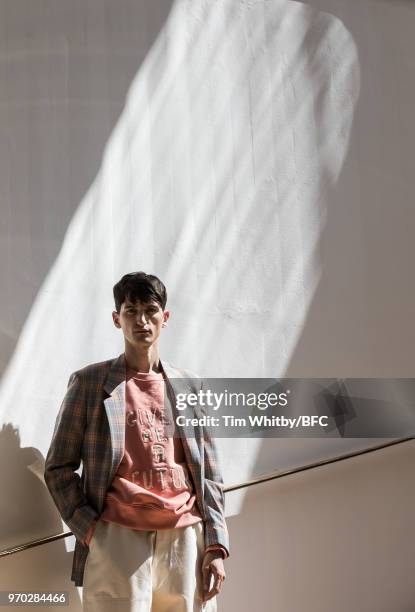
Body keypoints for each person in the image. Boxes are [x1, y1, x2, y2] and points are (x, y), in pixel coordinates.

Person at [44, 271, 229, 611]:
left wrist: (216, 545)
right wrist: (90, 531)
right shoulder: (89, 383)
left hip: (185, 538)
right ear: (117, 319)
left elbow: (210, 476)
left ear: (165, 317)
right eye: (131, 310)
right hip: (118, 537)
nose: (142, 320)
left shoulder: (191, 386)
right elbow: (58, 467)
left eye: (150, 309)